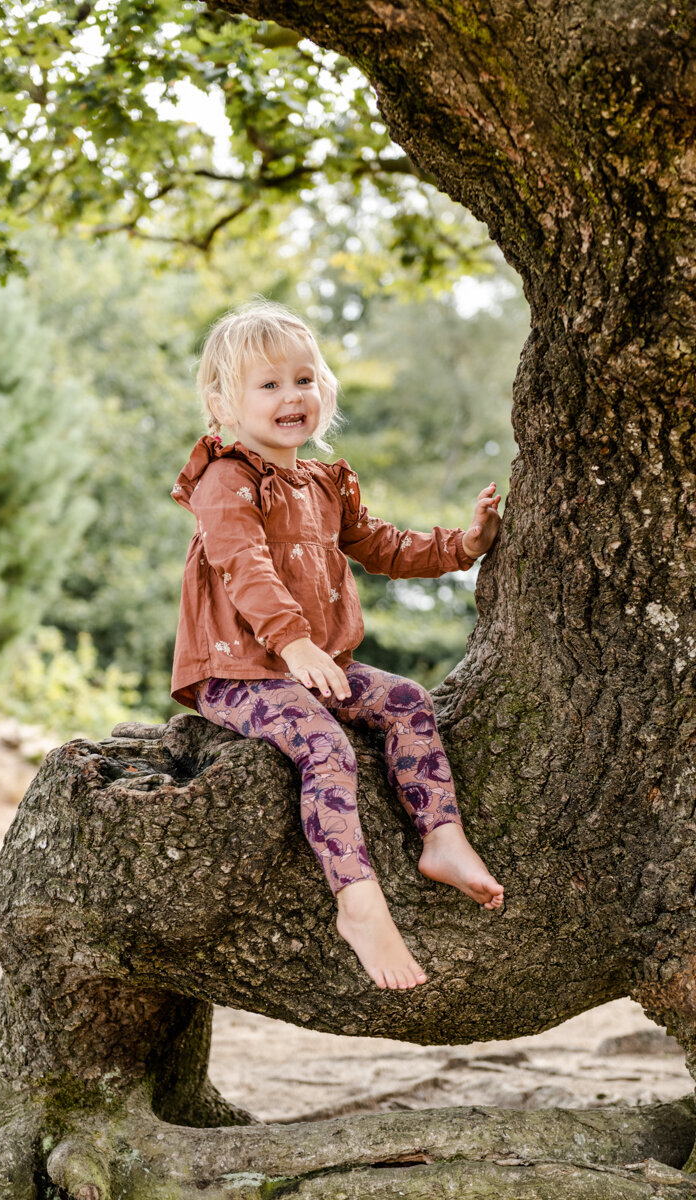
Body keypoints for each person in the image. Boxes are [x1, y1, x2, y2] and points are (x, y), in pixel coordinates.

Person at [170, 299, 503, 990]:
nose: (292, 396)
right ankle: (358, 901)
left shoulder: (324, 483)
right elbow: (243, 566)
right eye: (268, 385)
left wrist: (464, 545)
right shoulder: (224, 478)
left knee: (409, 700)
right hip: (241, 673)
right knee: (322, 745)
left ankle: (442, 839)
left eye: (304, 379)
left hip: (314, 666)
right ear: (222, 402)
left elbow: (382, 545)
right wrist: (292, 643)